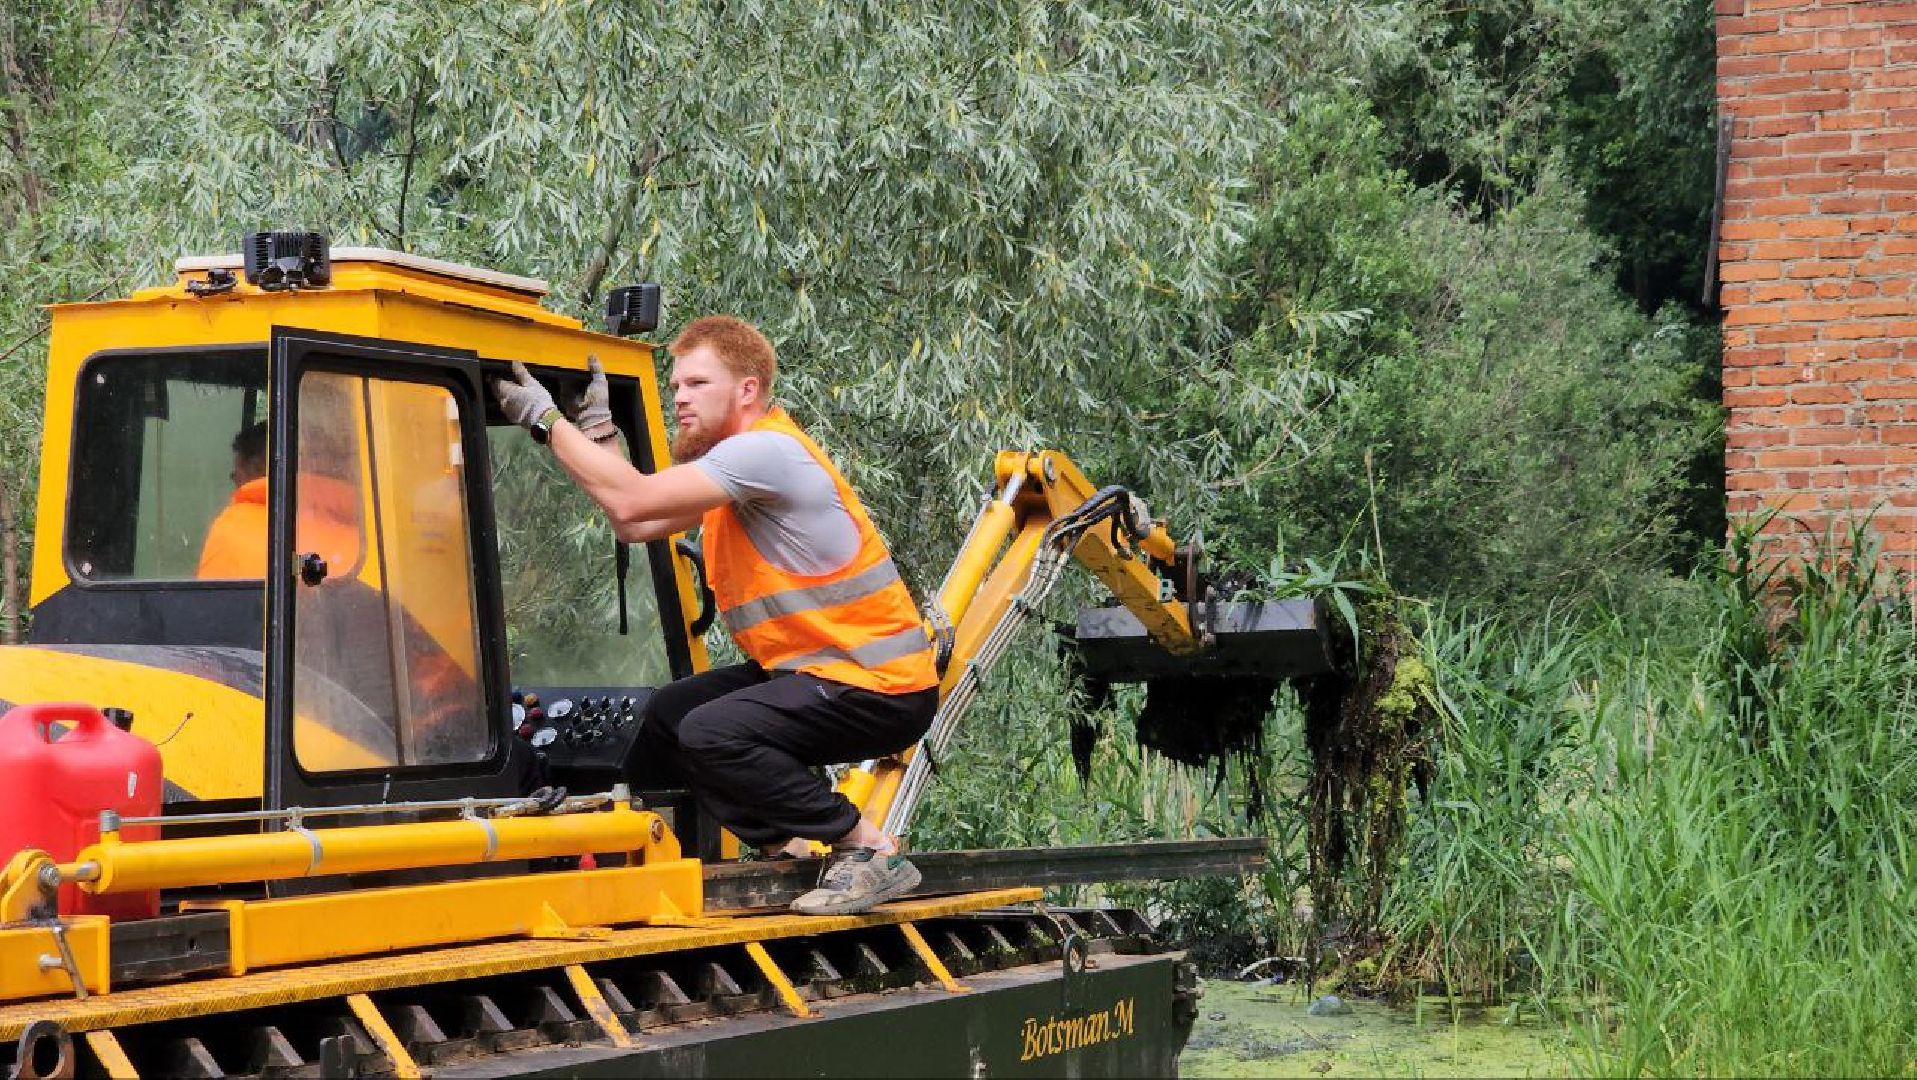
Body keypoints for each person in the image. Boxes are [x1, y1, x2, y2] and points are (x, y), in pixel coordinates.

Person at [491, 317, 940, 916]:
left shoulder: (766, 453)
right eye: (675, 385)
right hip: (816, 672)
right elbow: (636, 521)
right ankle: (781, 842)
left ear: (747, 391)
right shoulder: (734, 474)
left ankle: (867, 849)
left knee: (712, 731)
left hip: (880, 687)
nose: (679, 397)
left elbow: (631, 499)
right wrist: (599, 430)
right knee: (670, 714)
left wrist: (547, 423)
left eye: (698, 384)